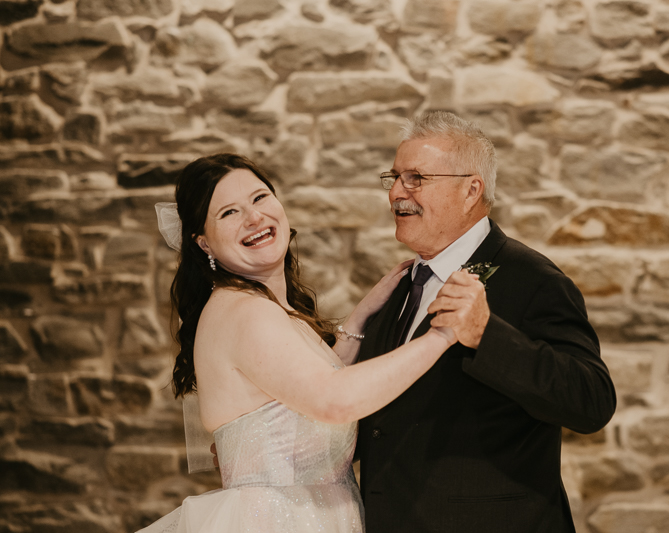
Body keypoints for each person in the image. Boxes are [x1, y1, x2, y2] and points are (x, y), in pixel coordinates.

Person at [139, 153, 456, 533]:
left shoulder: (263, 307)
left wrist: (358, 319)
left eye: (259, 198)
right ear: (203, 243)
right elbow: (332, 400)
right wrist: (443, 335)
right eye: (229, 213)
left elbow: (293, 408)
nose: (254, 218)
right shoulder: (245, 312)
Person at [355, 111, 617, 533]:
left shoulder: (534, 280)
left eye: (417, 178)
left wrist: (486, 336)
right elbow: (381, 420)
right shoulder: (402, 285)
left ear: (470, 190)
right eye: (395, 177)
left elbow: (592, 402)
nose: (397, 194)